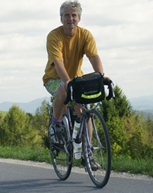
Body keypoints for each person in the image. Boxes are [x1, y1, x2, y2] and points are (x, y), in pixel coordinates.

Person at [43, 0, 110, 168]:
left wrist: (101, 76)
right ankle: (56, 124)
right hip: (54, 78)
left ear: (79, 18)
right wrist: (67, 82)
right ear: (61, 18)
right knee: (63, 92)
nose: (70, 19)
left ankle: (87, 153)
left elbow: (94, 57)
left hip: (76, 78)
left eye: (74, 15)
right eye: (66, 15)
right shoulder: (54, 36)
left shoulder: (85, 35)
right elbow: (58, 62)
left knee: (84, 110)